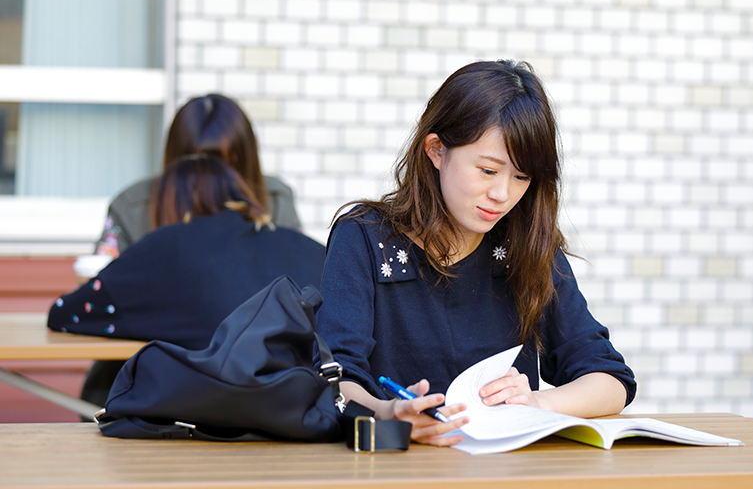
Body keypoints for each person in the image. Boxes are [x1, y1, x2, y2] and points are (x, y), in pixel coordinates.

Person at [316, 60, 636, 446]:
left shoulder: (525, 245)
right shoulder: (366, 238)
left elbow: (611, 381)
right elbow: (335, 379)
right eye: (487, 170)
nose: (503, 194)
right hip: (396, 470)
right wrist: (389, 414)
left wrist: (537, 402)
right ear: (436, 150)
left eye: (521, 177)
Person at [50, 156, 325, 405]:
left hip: (192, 418)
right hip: (299, 415)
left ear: (171, 201)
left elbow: (65, 313)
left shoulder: (165, 246)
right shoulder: (303, 247)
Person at [95, 93, 301, 259]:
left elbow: (301, 284)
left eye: (226, 167)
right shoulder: (133, 208)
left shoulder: (276, 201)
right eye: (197, 170)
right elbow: (101, 287)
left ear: (246, 163)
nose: (214, 182)